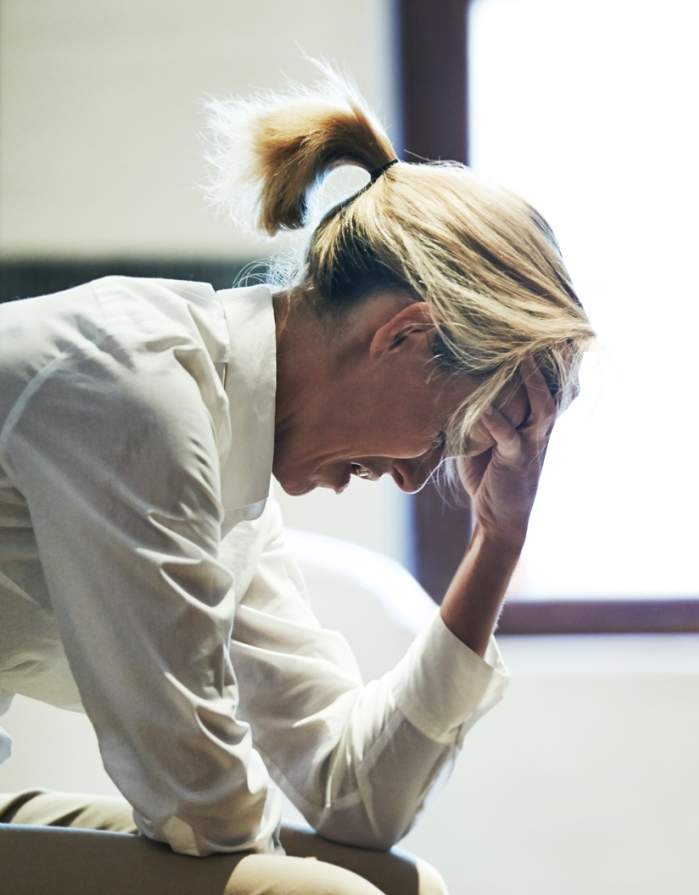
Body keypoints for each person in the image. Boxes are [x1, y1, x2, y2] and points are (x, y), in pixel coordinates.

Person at [0, 66, 593, 894]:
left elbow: (353, 796)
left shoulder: (225, 462)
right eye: (444, 434)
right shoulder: (139, 395)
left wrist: (499, 541)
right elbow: (196, 804)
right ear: (404, 337)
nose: (421, 476)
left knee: (393, 881)